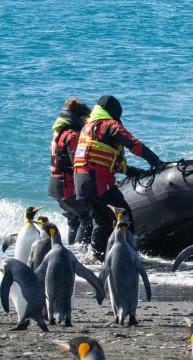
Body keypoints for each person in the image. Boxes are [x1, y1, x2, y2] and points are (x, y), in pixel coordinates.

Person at [73, 95, 163, 258]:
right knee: (123, 216)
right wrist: (156, 162)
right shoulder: (109, 125)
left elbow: (103, 159)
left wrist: (133, 171)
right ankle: (127, 256)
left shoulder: (88, 127)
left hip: (80, 183)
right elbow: (134, 144)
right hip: (97, 182)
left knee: (102, 222)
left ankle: (97, 258)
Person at [49, 98, 93, 245]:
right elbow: (78, 162)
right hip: (66, 184)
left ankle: (71, 252)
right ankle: (80, 253)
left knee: (73, 220)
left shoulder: (59, 132)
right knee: (86, 217)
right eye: (86, 119)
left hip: (56, 184)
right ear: (80, 118)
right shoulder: (73, 135)